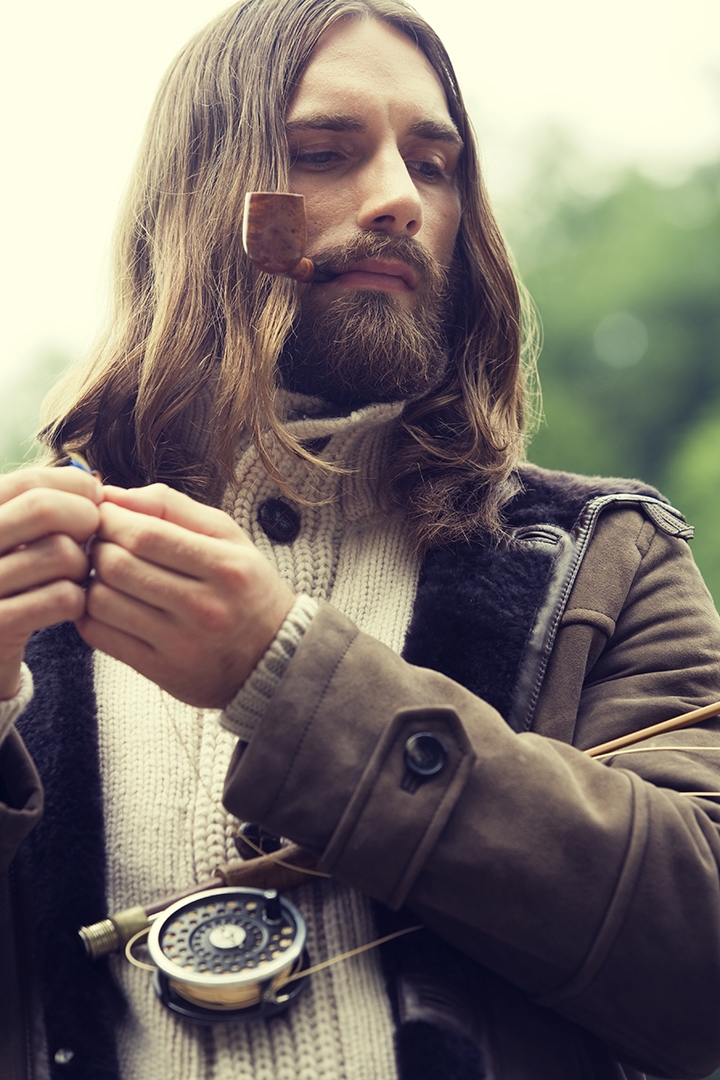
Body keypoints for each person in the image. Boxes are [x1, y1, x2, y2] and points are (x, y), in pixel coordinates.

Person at [2, 0, 720, 1077]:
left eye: (434, 166)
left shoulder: (608, 560)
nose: (398, 200)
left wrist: (289, 678)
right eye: (324, 153)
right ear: (199, 197)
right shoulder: (25, 581)